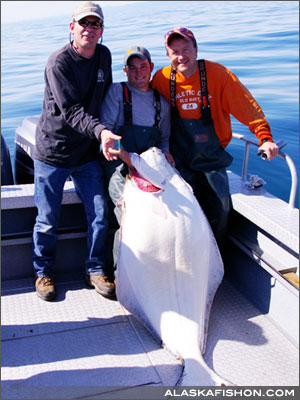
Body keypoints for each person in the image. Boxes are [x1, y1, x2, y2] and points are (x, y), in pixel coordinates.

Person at [151, 27, 279, 249]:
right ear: (168, 56)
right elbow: (146, 110)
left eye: (186, 49)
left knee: (220, 210)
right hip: (177, 160)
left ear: (196, 49)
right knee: (180, 215)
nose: (181, 56)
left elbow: (247, 107)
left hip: (212, 159)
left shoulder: (217, 74)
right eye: (174, 52)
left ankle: (215, 262)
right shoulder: (161, 79)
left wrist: (265, 137)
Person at [33, 1, 116, 301]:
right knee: (46, 219)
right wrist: (101, 131)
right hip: (53, 153)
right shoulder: (59, 63)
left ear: (102, 31)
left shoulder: (104, 56)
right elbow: (72, 111)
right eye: (84, 23)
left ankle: (95, 269)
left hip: (86, 153)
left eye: (95, 25)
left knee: (100, 213)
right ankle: (43, 272)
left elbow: (105, 96)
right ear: (72, 27)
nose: (89, 30)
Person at [100, 45, 174, 269]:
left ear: (151, 67)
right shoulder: (117, 92)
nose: (139, 73)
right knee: (127, 215)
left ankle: (158, 269)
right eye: (132, 68)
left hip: (149, 169)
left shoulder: (161, 103)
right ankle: (119, 273)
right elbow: (108, 134)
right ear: (125, 71)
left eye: (143, 67)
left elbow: (163, 139)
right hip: (119, 166)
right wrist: (127, 157)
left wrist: (166, 154)